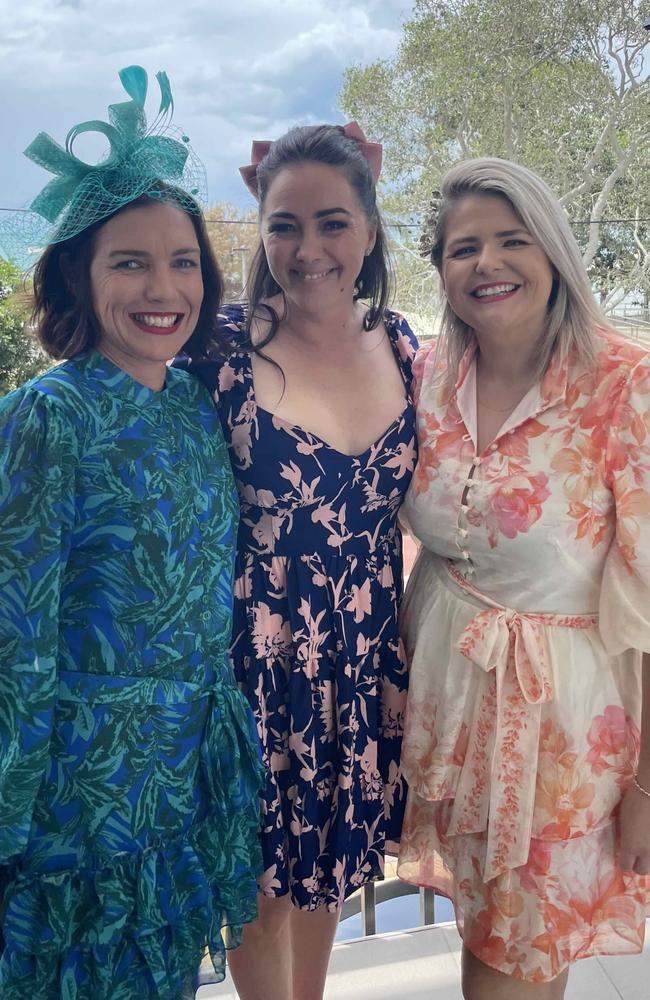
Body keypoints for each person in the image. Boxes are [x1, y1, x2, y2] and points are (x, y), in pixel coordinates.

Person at [0, 66, 263, 1000]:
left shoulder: (196, 402)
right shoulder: (49, 416)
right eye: (129, 262)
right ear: (78, 273)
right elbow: (15, 634)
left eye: (183, 261)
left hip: (181, 776)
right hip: (79, 801)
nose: (164, 288)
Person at [396, 156, 650, 1000]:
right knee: (482, 934)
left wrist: (649, 785)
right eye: (464, 247)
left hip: (562, 731)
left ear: (553, 250)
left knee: (517, 961)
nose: (487, 264)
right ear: (440, 270)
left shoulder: (625, 383)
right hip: (447, 709)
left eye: (512, 240)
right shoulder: (431, 375)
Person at [179, 122, 418, 1000]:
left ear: (369, 227)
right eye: (284, 224)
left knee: (330, 870)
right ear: (259, 227)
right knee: (258, 886)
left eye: (332, 223)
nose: (307, 248)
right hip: (258, 664)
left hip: (362, 658)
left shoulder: (403, 347)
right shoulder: (219, 353)